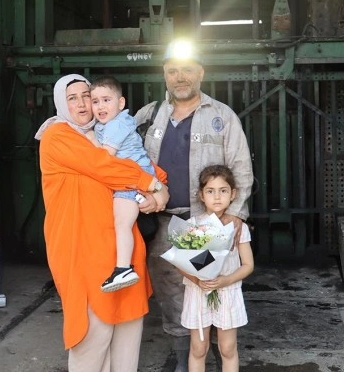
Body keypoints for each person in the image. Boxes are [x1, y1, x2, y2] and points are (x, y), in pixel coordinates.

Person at [35, 74, 169, 371]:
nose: (83, 104)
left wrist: (161, 188)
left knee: (128, 334)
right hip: (83, 251)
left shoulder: (107, 132)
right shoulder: (57, 136)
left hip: (123, 254)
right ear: (61, 104)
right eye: (72, 98)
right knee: (92, 337)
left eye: (87, 96)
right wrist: (152, 186)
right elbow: (104, 167)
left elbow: (142, 163)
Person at [135, 39, 253, 371]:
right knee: (171, 290)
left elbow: (241, 167)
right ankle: (183, 354)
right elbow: (116, 148)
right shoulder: (149, 115)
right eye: (173, 71)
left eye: (187, 70)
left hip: (208, 224)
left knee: (211, 285)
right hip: (164, 223)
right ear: (164, 74)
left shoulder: (221, 116)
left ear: (201, 72)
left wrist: (235, 214)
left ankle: (216, 352)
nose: (180, 77)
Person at [85, 76, 158, 293]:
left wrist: (90, 138)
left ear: (121, 103)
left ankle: (124, 268)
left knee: (122, 224)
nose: (100, 106)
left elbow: (105, 157)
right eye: (95, 101)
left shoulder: (117, 124)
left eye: (106, 100)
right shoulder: (107, 123)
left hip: (132, 180)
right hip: (130, 178)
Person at [181, 165, 253, 372]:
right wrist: (197, 280)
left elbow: (248, 265)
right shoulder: (193, 225)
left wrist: (225, 280)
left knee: (228, 348)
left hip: (227, 292)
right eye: (210, 191)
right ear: (201, 195)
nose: (217, 197)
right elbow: (181, 263)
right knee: (198, 348)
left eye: (223, 190)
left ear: (233, 194)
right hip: (198, 292)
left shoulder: (238, 227)